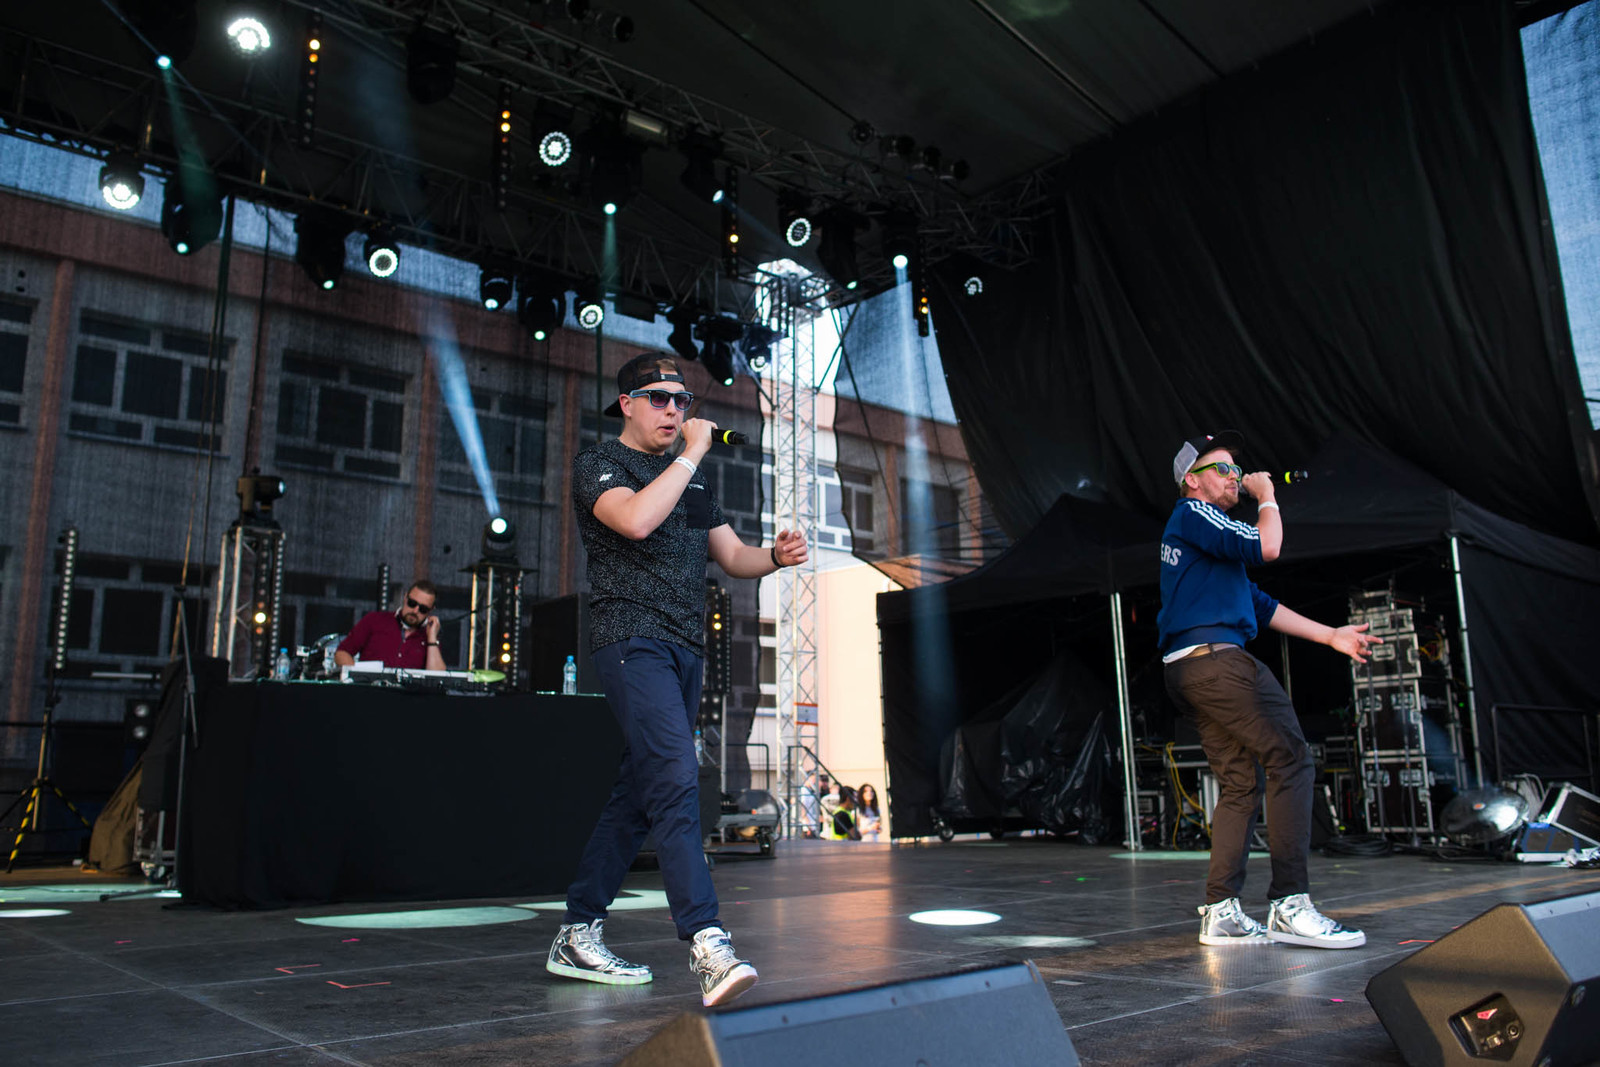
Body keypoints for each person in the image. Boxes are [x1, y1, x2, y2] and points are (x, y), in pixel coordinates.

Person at [547, 352, 808, 1007]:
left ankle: (577, 930)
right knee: (674, 776)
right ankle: (708, 943)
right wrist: (691, 454)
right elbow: (635, 520)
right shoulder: (600, 464)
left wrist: (776, 557)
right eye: (659, 398)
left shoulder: (691, 481)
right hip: (632, 641)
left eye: (682, 401)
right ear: (627, 404)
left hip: (686, 649)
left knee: (638, 794)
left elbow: (733, 555)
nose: (673, 410)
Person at [1159, 431, 1378, 949]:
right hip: (1218, 663)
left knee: (1240, 784)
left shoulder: (1209, 546)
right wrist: (1268, 496)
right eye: (1222, 469)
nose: (1234, 477)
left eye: (1238, 471)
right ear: (1192, 481)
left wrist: (1330, 636)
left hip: (1193, 669)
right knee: (1292, 760)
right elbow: (1268, 545)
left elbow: (1262, 605)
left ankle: (1221, 912)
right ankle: (1290, 904)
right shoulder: (1195, 514)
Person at [334, 580, 445, 670]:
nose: (415, 611)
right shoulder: (374, 620)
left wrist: (432, 639)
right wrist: (357, 677)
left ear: (431, 610)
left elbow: (436, 677)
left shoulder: (429, 636)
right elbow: (342, 653)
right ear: (405, 597)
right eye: (412, 603)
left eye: (423, 609)